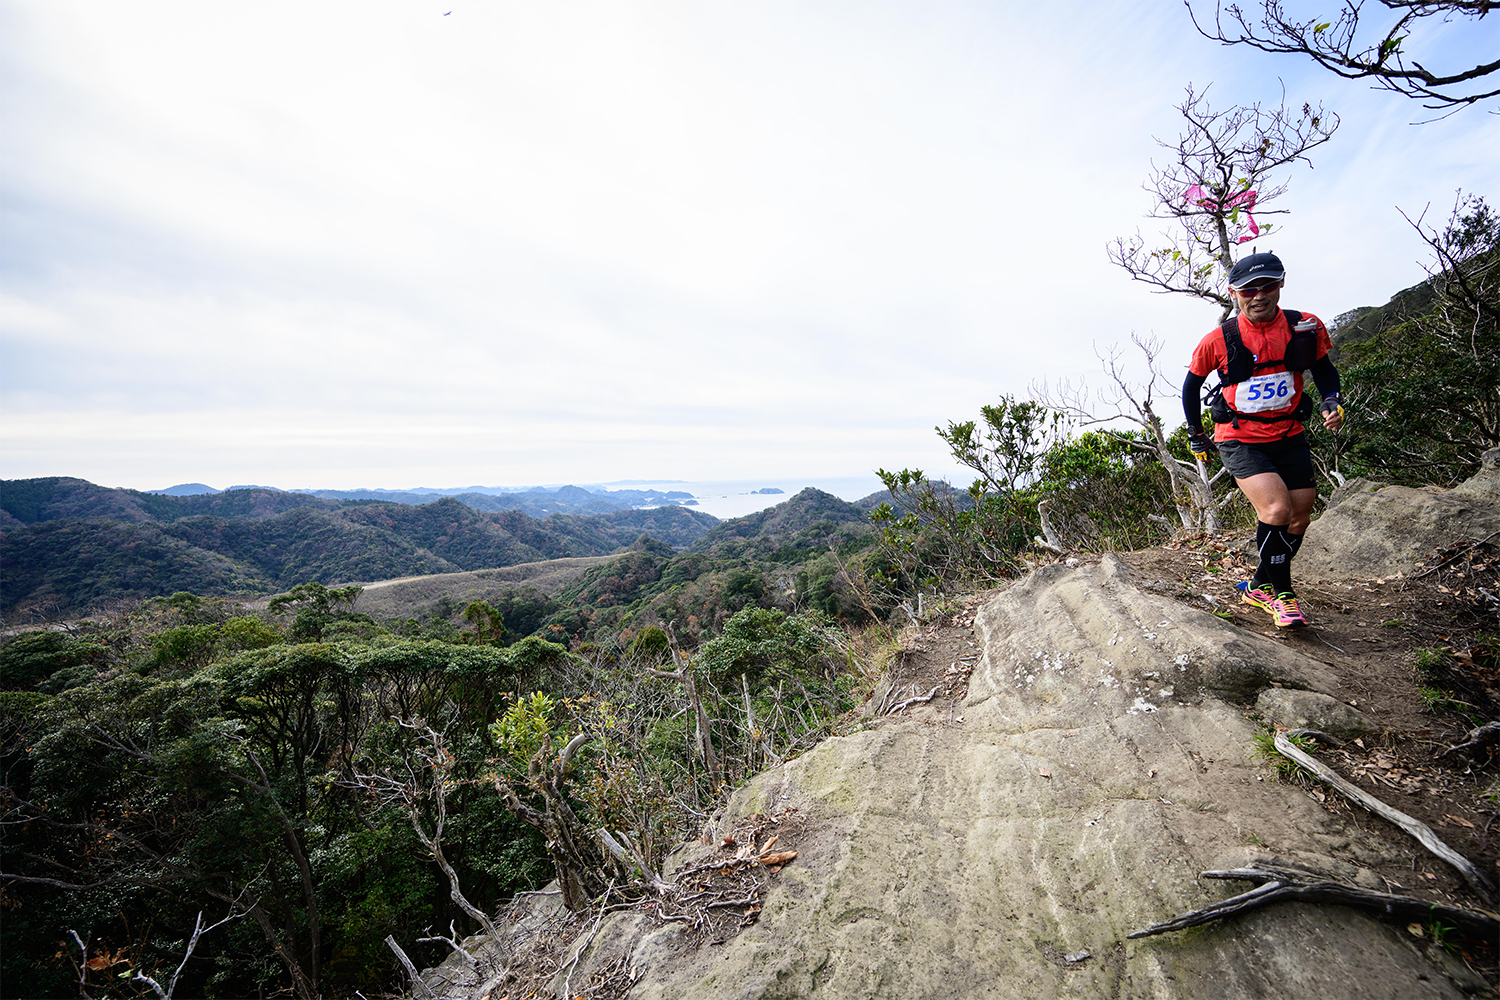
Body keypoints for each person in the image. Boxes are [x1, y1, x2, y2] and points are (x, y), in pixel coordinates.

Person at [1181, 252, 1345, 628]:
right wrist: (1197, 435)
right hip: (1240, 438)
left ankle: (1259, 584)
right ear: (1233, 293)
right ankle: (1283, 597)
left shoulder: (1305, 326)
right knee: (1276, 510)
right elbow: (1191, 388)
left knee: (1300, 516)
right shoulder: (1218, 340)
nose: (1259, 295)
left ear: (1281, 283)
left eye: (1267, 286)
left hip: (1289, 432)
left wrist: (1330, 401)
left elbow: (1324, 370)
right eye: (1248, 290)